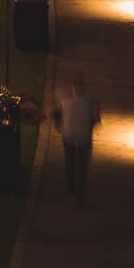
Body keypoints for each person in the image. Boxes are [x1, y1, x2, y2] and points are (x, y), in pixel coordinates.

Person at [52, 76, 101, 205]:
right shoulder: (91, 101)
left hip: (68, 136)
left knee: (70, 160)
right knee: (82, 165)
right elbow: (96, 119)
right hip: (84, 137)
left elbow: (56, 115)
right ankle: (80, 194)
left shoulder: (65, 102)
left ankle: (71, 184)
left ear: (73, 89)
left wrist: (60, 127)